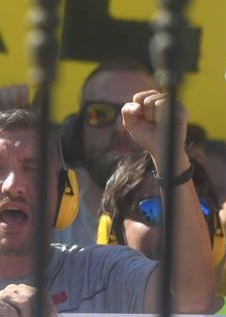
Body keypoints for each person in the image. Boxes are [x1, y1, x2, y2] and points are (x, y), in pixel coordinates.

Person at [0, 94, 217, 317]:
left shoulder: (107, 274)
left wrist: (169, 156)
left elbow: (191, 299)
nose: (13, 184)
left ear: (64, 193)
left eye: (33, 169)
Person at [97, 150, 226, 314]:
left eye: (192, 214)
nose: (175, 229)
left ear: (215, 233)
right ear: (113, 233)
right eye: (155, 210)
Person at [57, 59, 157, 246]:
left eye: (139, 115)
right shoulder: (44, 204)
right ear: (76, 129)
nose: (121, 127)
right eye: (100, 113)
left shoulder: (183, 209)